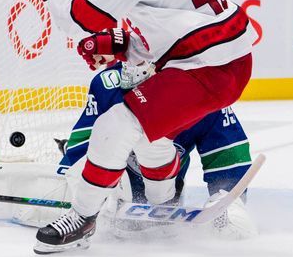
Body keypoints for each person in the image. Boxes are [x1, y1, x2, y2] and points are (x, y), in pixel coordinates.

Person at [22, 0, 255, 253]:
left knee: (115, 125)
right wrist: (123, 44)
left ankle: (82, 216)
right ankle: (163, 201)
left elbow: (84, 18)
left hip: (204, 69)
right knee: (151, 136)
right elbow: (169, 16)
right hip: (217, 58)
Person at [57, 61, 256, 239]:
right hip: (113, 189)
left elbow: (227, 156)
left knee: (236, 226)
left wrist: (227, 199)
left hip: (166, 193)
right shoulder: (108, 84)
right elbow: (81, 148)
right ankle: (100, 202)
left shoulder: (205, 91)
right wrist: (85, 194)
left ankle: (165, 198)